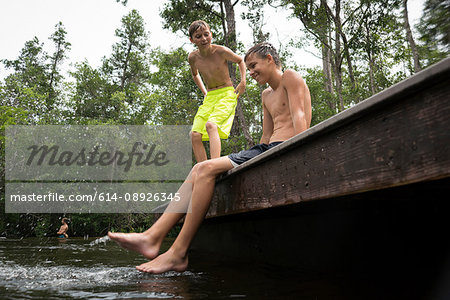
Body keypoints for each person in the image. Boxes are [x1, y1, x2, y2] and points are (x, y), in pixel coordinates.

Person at [108, 42, 312, 274]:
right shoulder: (266, 95)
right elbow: (266, 136)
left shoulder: (290, 77)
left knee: (204, 169)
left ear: (269, 58)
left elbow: (300, 118)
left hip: (285, 148)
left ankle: (176, 252)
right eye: (249, 68)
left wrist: (299, 155)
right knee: (199, 168)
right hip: (267, 150)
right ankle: (152, 236)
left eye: (254, 66)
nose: (251, 72)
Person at [188, 20, 246, 162]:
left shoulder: (220, 51)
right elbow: (195, 74)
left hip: (226, 93)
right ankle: (204, 168)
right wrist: (204, 92)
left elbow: (240, 60)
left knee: (211, 125)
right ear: (192, 40)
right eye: (198, 36)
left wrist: (243, 81)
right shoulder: (193, 57)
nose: (203, 39)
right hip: (210, 96)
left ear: (211, 34)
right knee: (194, 134)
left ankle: (214, 164)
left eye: (206, 34)